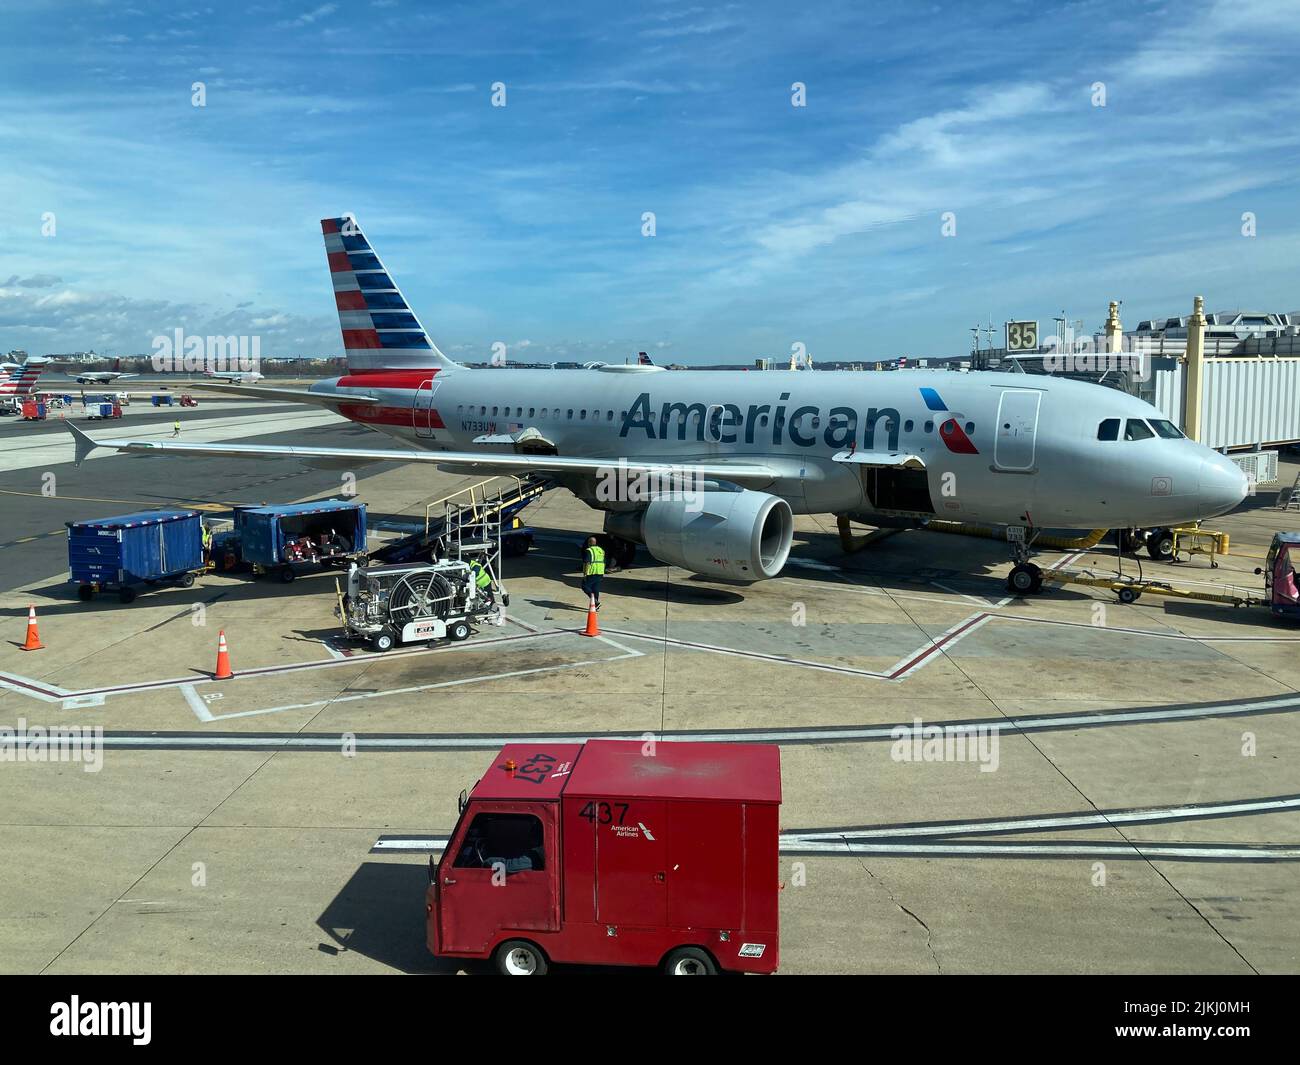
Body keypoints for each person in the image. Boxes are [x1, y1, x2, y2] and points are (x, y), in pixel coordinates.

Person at [581, 536, 605, 610]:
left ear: (589, 543)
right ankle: (595, 606)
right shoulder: (601, 550)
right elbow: (604, 561)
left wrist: (585, 574)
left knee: (584, 586)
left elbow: (587, 563)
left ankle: (595, 602)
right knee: (595, 589)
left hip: (592, 572)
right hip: (600, 572)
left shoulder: (589, 550)